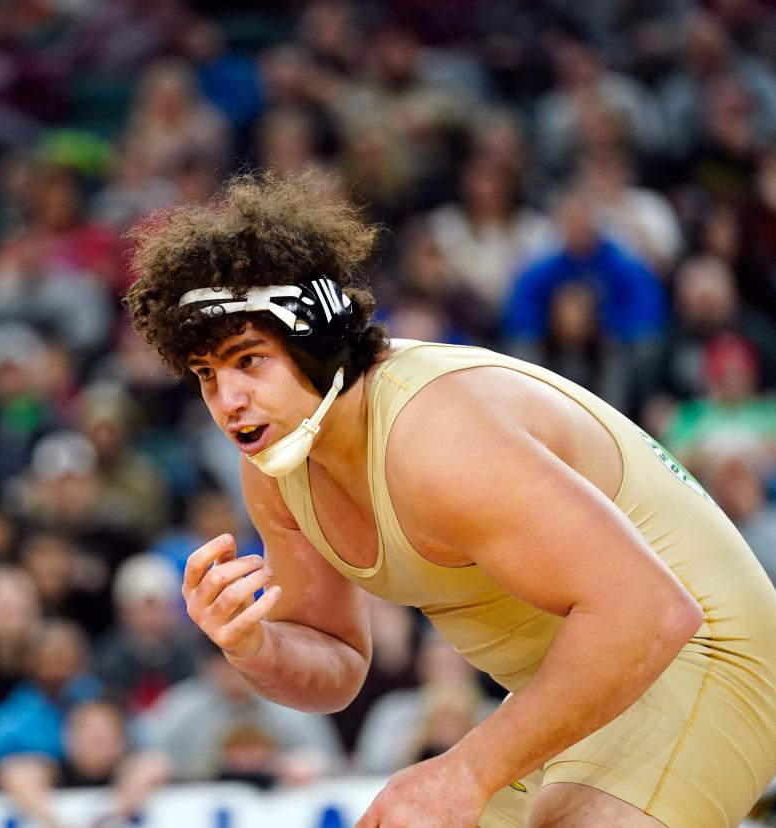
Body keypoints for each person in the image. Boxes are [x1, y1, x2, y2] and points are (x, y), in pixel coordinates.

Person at [125, 172, 776, 827]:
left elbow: (650, 613)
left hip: (699, 653)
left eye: (249, 360)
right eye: (207, 375)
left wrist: (464, 770)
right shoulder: (276, 463)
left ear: (317, 345)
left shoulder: (435, 435)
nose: (227, 400)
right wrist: (251, 645)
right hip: (575, 692)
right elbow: (340, 664)